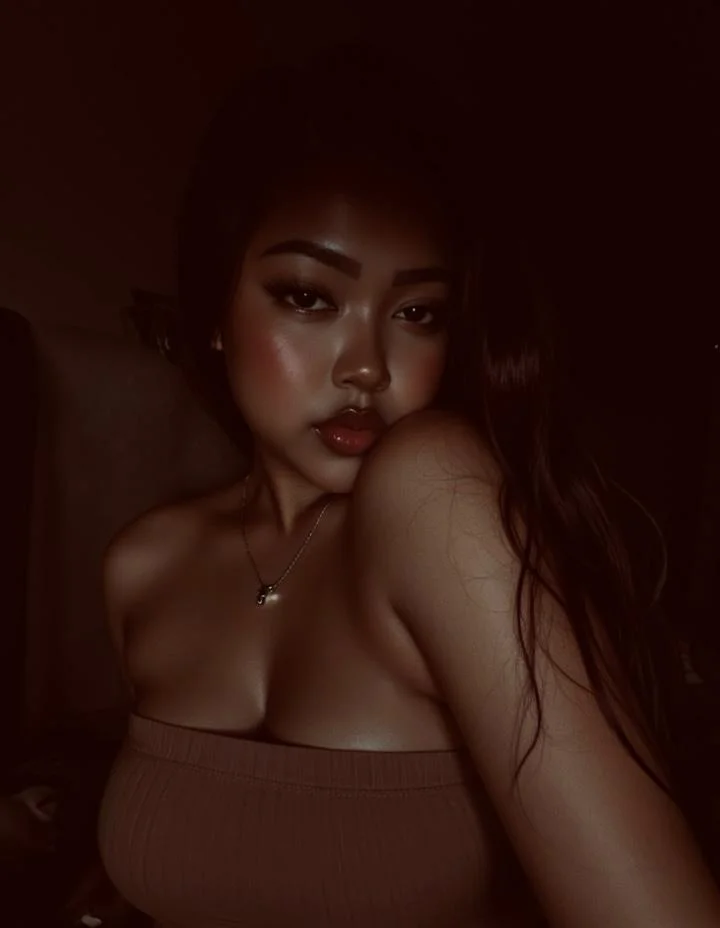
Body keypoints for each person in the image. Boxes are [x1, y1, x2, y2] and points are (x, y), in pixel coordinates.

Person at [96, 42, 720, 928]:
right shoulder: (142, 567)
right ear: (214, 313)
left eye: (418, 313)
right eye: (309, 297)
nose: (367, 366)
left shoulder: (434, 489)